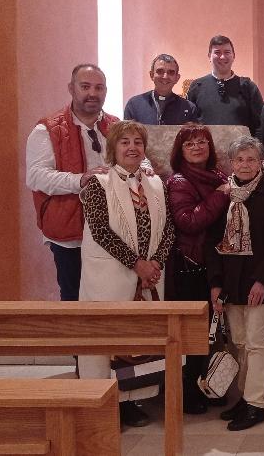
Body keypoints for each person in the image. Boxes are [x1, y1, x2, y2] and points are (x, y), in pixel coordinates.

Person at [78, 121, 174, 428]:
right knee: (105, 342)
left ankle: (132, 402)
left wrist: (156, 262)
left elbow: (168, 227)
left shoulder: (155, 183)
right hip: (109, 276)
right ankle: (100, 406)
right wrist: (137, 264)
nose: (132, 147)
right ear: (113, 148)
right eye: (124, 142)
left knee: (138, 342)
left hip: (148, 276)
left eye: (137, 142)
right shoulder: (98, 183)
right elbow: (101, 231)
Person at [206, 136, 264, 431]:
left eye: (251, 159)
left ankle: (256, 405)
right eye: (240, 159)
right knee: (239, 343)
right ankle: (244, 398)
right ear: (231, 163)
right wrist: (216, 283)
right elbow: (213, 242)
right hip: (231, 283)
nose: (245, 165)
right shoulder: (224, 195)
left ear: (260, 163)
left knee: (256, 345)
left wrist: (262, 281)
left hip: (260, 284)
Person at [26, 64, 120, 302]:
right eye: (85, 86)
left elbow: (137, 156)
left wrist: (146, 170)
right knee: (74, 297)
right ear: (71, 88)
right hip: (70, 230)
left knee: (112, 294)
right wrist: (80, 179)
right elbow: (36, 176)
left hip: (113, 228)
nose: (93, 93)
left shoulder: (116, 126)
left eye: (99, 88)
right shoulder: (47, 129)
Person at [164, 124, 229, 415]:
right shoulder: (178, 181)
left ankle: (208, 385)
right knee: (192, 335)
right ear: (181, 150)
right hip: (190, 266)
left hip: (215, 263)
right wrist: (221, 195)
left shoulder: (217, 176)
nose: (198, 147)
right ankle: (188, 393)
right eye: (190, 144)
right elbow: (188, 221)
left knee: (212, 333)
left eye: (203, 142)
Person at [187, 35, 264, 135]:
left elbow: (260, 124)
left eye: (227, 52)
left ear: (233, 56)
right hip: (205, 149)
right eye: (217, 52)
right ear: (209, 56)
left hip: (240, 149)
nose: (222, 57)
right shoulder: (197, 87)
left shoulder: (248, 87)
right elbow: (188, 125)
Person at [123, 54, 200, 125]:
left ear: (177, 78)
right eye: (160, 71)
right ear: (151, 75)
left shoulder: (189, 108)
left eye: (171, 72)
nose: (165, 76)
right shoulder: (134, 105)